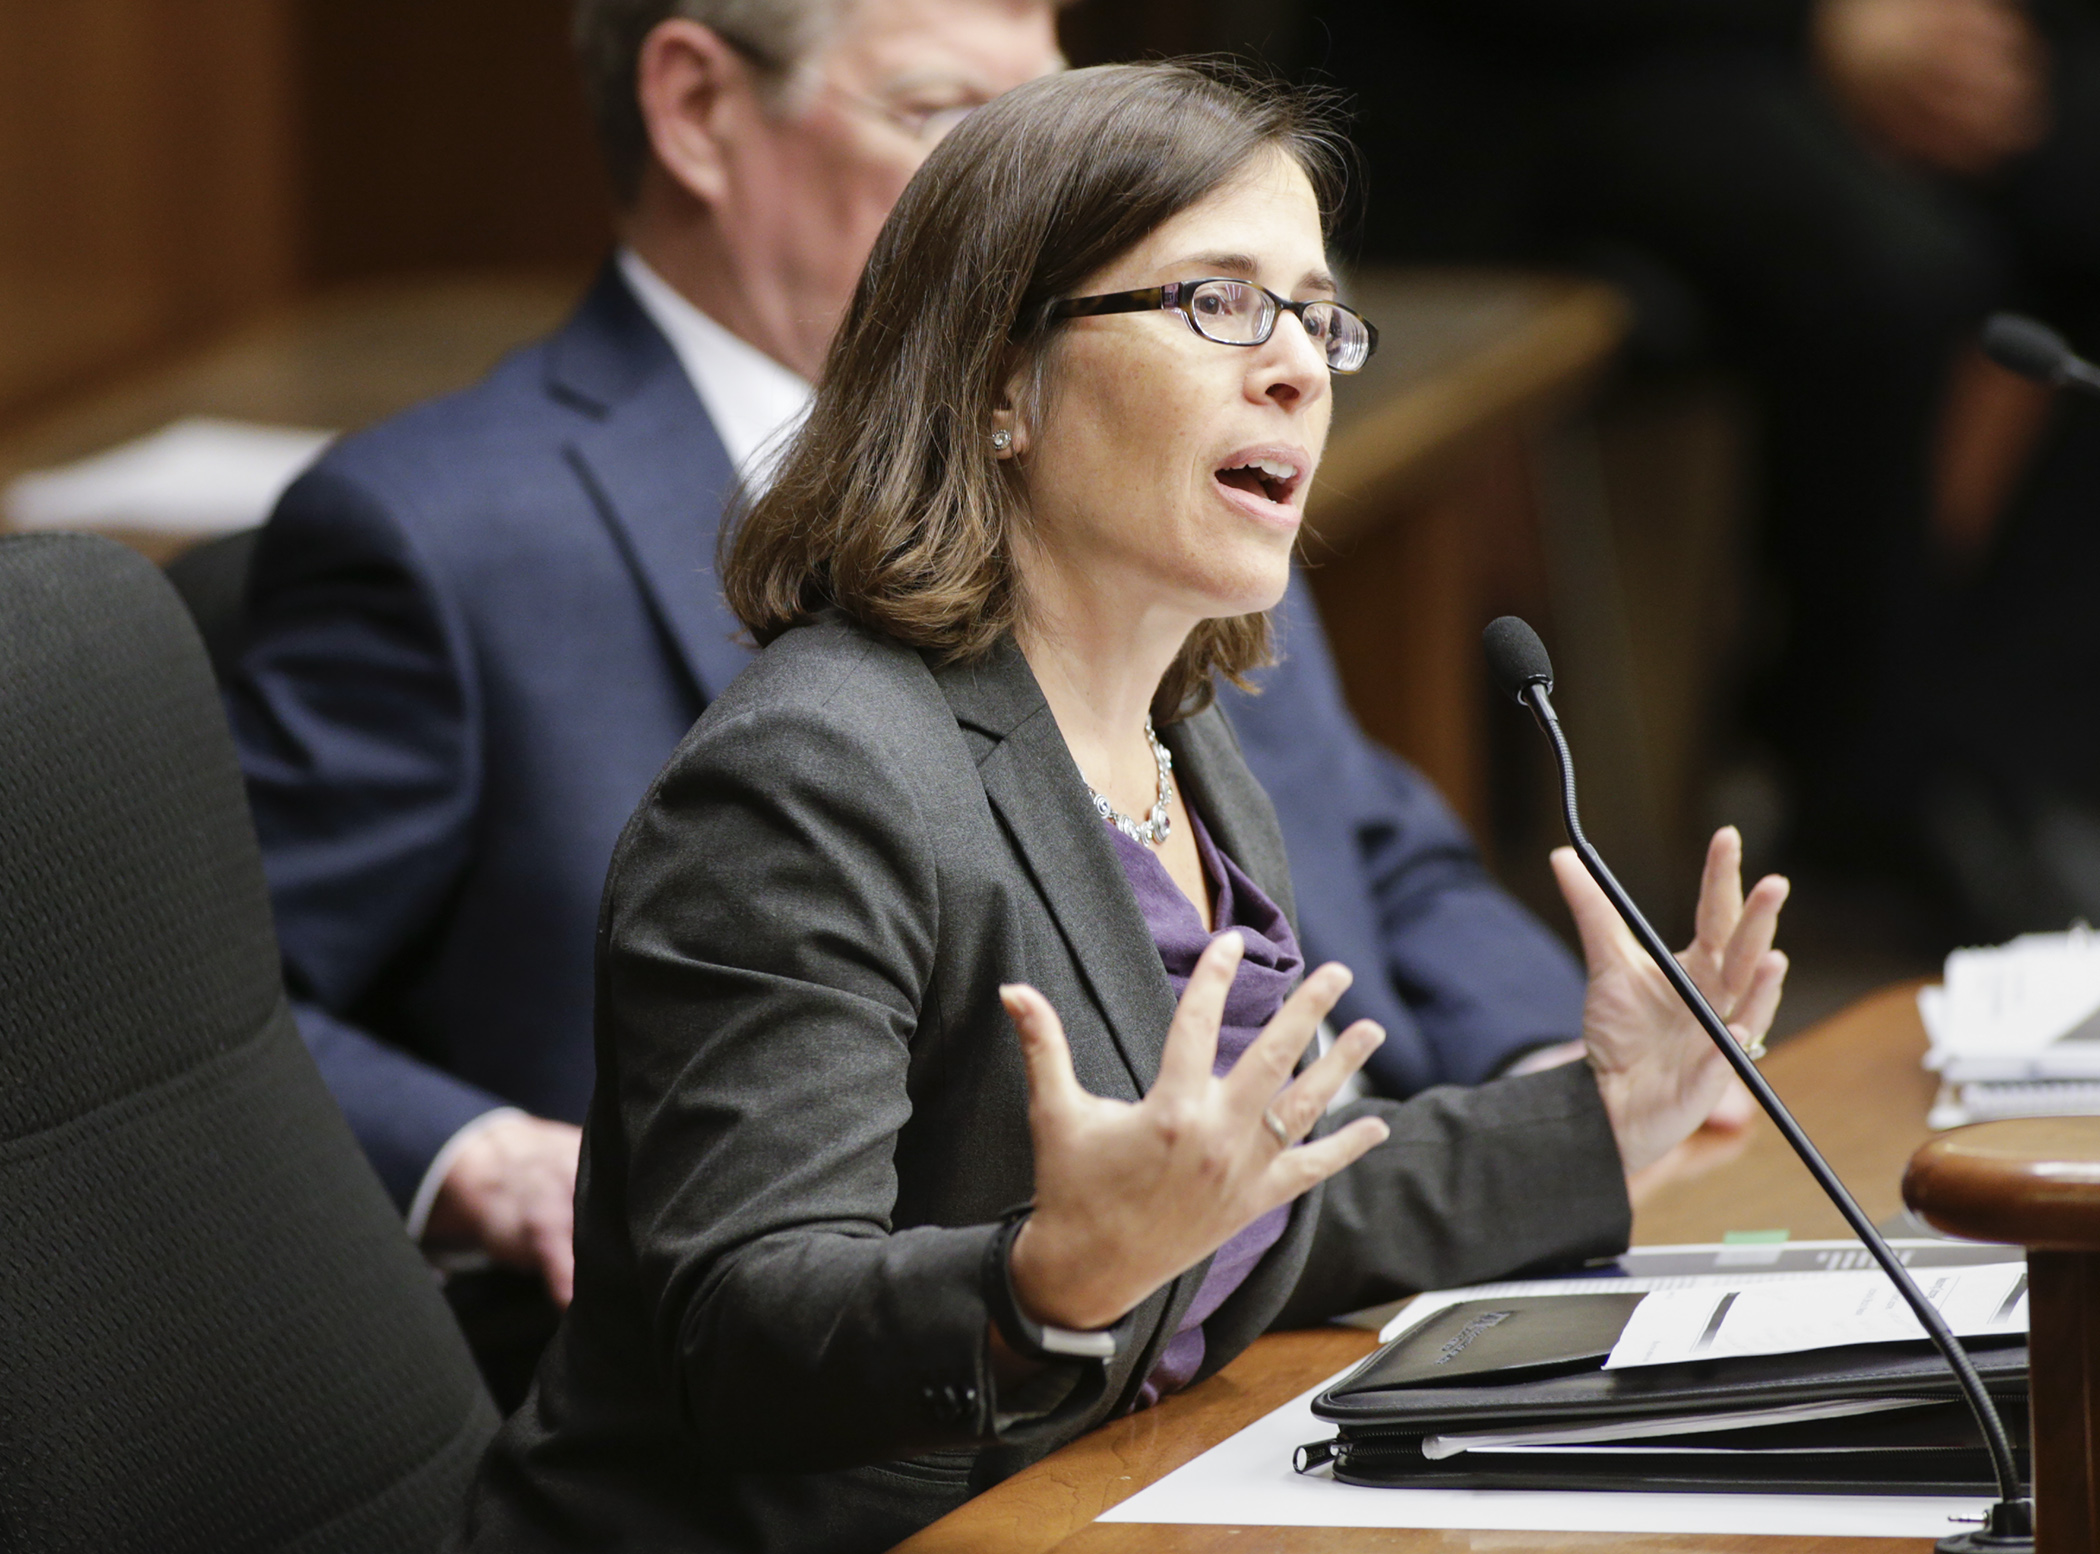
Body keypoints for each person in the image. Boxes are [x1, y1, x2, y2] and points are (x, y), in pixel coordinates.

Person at [465, 62, 1790, 1553]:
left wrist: (1608, 1121)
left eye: (1317, 315)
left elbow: (1251, 1223)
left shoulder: (1189, 743)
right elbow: (746, 1336)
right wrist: (1041, 1282)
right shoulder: (808, 780)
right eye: (1218, 303)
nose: (1297, 367)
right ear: (996, 385)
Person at [224, 0, 1640, 1345]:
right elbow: (199, 1028)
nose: (1040, 167)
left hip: (1265, 1313)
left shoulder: (1177, 534)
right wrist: (476, 1153)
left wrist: (1573, 1086)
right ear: (699, 109)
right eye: (957, 118)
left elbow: (1372, 847)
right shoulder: (446, 537)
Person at [1300, 0, 2100, 922]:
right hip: (1560, 73)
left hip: (1845, 44)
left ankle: (2004, 749)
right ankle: (1857, 783)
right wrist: (1819, 27)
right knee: (1899, 274)